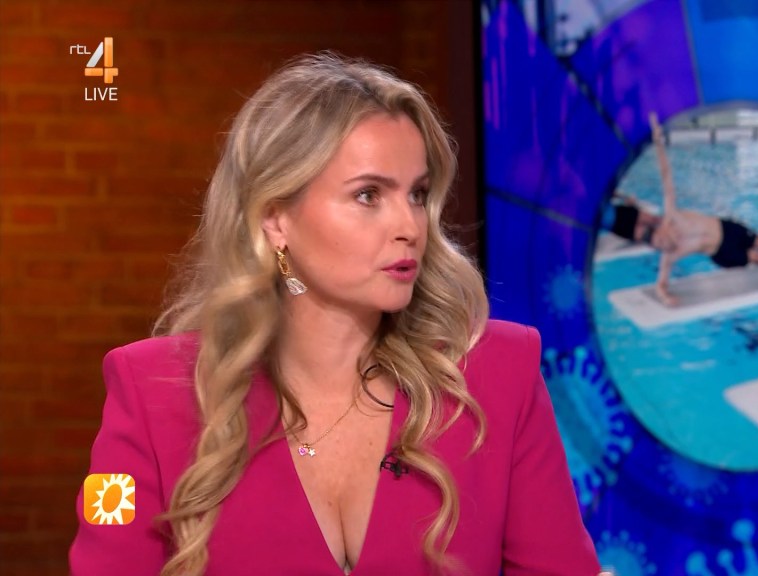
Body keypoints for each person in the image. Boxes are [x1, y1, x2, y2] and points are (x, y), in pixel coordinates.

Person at [69, 53, 603, 576]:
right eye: (368, 195)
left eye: (417, 195)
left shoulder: (499, 374)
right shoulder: (150, 390)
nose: (409, 227)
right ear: (276, 218)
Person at [605, 113, 758, 306]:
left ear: (662, 231)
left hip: (726, 229)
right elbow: (661, 285)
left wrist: (658, 141)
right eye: (662, 247)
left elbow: (666, 177)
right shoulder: (670, 255)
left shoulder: (672, 217)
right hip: (722, 253)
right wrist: (665, 298)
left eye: (663, 241)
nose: (667, 245)